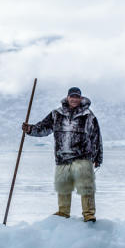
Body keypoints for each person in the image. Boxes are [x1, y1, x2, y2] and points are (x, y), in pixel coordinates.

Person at [23, 87, 103, 222]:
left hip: (83, 157)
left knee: (86, 186)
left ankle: (89, 214)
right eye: (72, 96)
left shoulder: (89, 116)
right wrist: (30, 129)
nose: (74, 99)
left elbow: (96, 137)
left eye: (77, 97)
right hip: (62, 157)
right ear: (67, 98)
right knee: (63, 186)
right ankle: (63, 212)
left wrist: (98, 158)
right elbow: (43, 128)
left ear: (81, 99)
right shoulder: (56, 114)